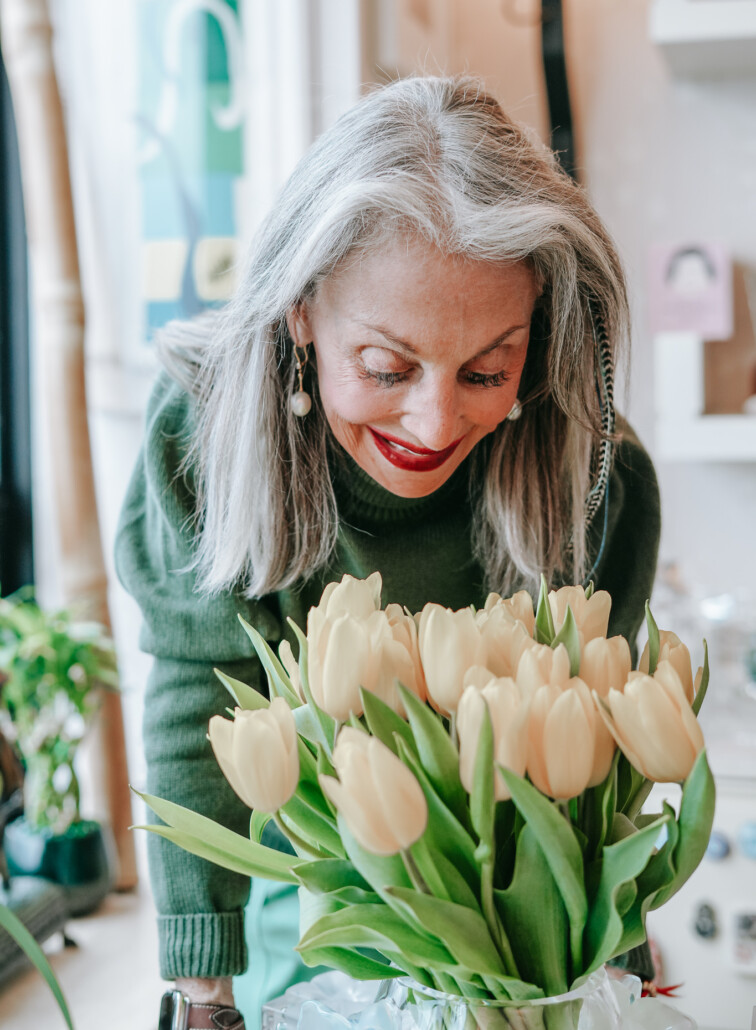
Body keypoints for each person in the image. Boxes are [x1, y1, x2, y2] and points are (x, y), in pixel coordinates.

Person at [115, 75, 660, 1030]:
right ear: (302, 312)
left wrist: (614, 966)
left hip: (516, 912)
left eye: (489, 369)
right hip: (304, 863)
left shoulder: (597, 475)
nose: (435, 420)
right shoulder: (200, 440)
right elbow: (197, 704)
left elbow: (597, 766)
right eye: (387, 367)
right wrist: (201, 993)